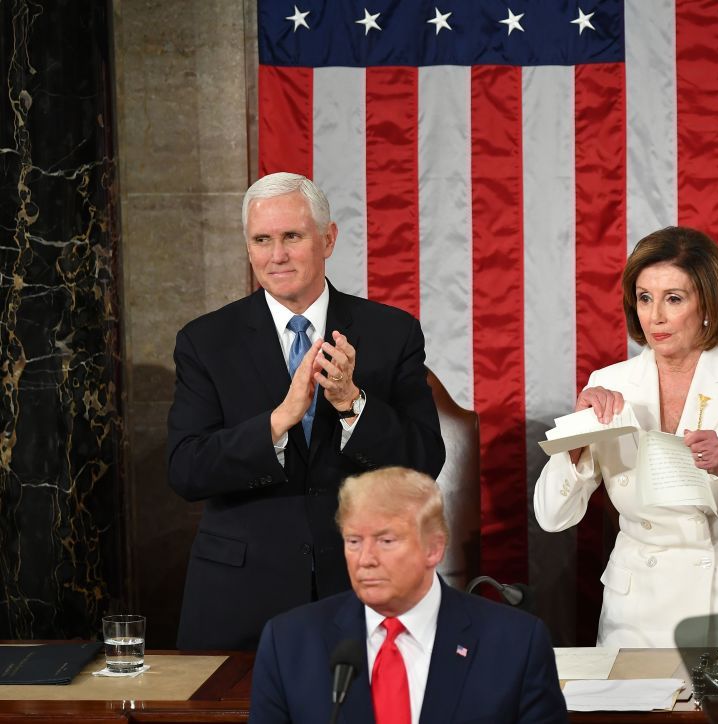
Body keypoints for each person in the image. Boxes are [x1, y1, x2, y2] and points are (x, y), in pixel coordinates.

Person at [167, 173, 445, 650]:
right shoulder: (205, 341)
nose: (277, 255)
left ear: (328, 239)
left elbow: (424, 462)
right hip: (239, 598)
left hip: (359, 588)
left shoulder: (391, 333)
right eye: (262, 240)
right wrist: (277, 423)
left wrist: (351, 403)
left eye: (292, 237)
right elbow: (186, 469)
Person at [534, 226, 718, 649]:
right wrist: (577, 443)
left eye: (673, 299)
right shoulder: (608, 384)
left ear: (708, 305)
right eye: (644, 298)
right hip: (640, 606)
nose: (655, 316)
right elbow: (552, 516)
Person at [250, 467, 568, 724]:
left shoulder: (516, 644)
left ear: (434, 548)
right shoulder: (288, 643)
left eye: (386, 541)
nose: (366, 559)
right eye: (354, 541)